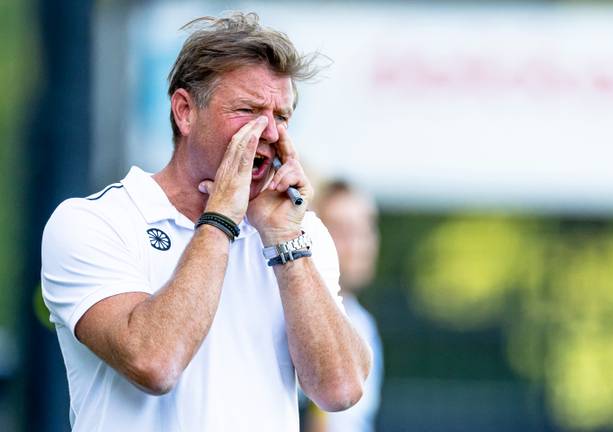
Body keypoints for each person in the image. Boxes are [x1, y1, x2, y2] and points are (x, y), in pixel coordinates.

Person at [40, 12, 371, 432]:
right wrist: (219, 219)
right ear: (184, 112)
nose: (269, 131)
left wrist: (285, 239)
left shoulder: (300, 236)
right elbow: (154, 361)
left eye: (282, 116)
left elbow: (341, 390)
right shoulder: (94, 222)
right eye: (248, 110)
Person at [305, 181, 384, 432]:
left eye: (366, 230)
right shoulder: (293, 317)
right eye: (343, 231)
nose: (358, 246)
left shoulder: (362, 323)